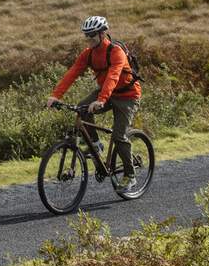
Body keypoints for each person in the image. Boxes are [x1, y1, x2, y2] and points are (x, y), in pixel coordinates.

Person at [47, 15, 141, 179]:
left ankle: (130, 176)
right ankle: (96, 145)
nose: (88, 38)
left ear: (102, 34)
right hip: (105, 93)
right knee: (82, 108)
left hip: (127, 96)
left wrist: (101, 100)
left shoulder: (116, 52)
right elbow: (72, 74)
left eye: (92, 35)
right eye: (86, 35)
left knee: (119, 137)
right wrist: (55, 96)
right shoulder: (87, 54)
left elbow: (113, 76)